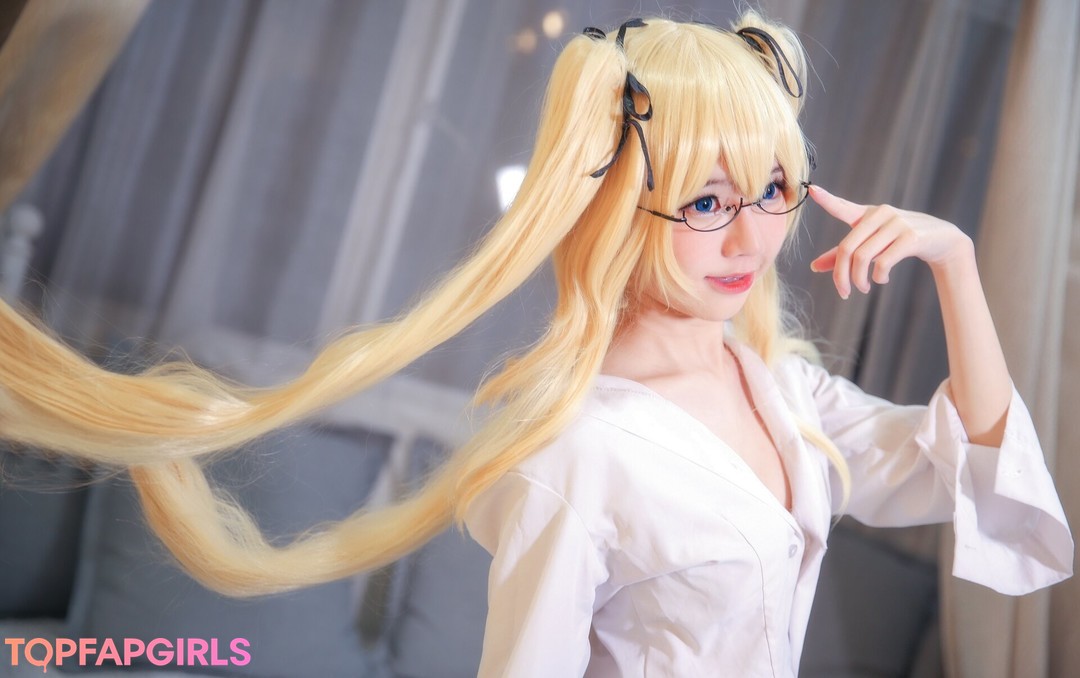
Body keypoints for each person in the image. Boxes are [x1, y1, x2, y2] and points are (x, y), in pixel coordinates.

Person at [0, 9, 1071, 678]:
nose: (753, 238)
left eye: (775, 189)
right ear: (613, 203)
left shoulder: (783, 391)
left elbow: (971, 479)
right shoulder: (578, 451)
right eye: (707, 201)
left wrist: (957, 265)